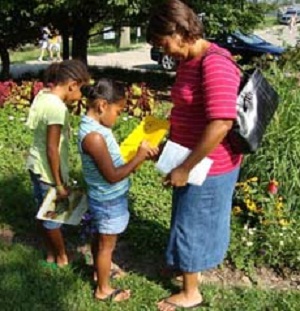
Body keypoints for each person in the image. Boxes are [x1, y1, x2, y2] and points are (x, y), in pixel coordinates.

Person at [147, 0, 242, 309]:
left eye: (164, 44)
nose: (164, 52)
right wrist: (169, 149)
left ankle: (191, 293)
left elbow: (222, 123)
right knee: (184, 216)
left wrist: (186, 167)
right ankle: (181, 266)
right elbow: (189, 109)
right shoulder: (189, 61)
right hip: (189, 158)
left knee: (193, 223)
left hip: (208, 165)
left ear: (180, 30)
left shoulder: (215, 63)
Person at [78, 79, 158, 302]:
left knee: (100, 238)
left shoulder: (96, 128)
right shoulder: (94, 137)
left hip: (104, 197)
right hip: (108, 200)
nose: (119, 116)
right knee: (106, 245)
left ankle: (98, 272)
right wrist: (139, 156)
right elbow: (113, 176)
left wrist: (136, 156)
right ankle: (103, 289)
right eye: (118, 111)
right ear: (102, 105)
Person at [26, 60, 90, 267]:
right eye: (81, 89)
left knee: (42, 211)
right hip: (48, 172)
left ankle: (51, 254)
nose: (81, 96)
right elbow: (52, 148)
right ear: (72, 85)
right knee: (51, 218)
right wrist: (59, 183)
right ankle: (62, 257)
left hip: (36, 165)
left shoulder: (43, 96)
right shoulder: (57, 109)